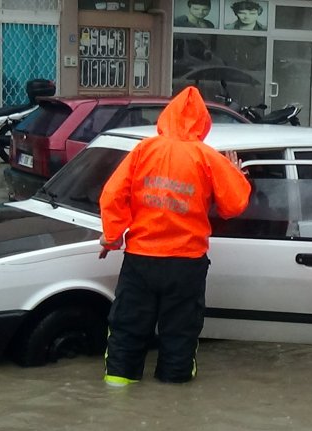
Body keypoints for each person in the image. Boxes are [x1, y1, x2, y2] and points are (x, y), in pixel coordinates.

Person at [98, 86, 251, 387]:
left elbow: (113, 194)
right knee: (179, 333)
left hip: (141, 259)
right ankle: (173, 394)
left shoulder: (144, 150)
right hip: (186, 262)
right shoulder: (207, 157)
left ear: (166, 116)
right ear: (203, 123)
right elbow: (234, 206)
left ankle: (117, 391)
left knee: (127, 328)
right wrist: (235, 174)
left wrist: (113, 236)